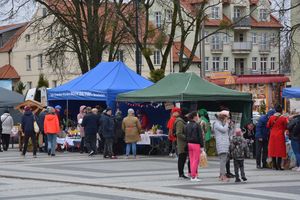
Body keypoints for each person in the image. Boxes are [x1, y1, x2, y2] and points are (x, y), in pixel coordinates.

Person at [267, 104, 288, 170]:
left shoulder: (271, 117)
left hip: (273, 135)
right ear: (281, 111)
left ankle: (274, 165)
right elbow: (285, 126)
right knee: (280, 150)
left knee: (273, 150)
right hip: (280, 135)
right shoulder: (283, 118)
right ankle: (279, 166)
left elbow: (268, 126)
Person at [186, 111, 204, 182]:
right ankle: (194, 176)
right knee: (195, 160)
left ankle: (192, 175)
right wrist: (202, 146)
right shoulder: (197, 125)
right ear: (194, 117)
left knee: (191, 160)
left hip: (189, 144)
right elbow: (200, 137)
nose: (198, 117)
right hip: (196, 144)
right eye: (197, 116)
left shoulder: (187, 125)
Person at [214, 110, 230, 182]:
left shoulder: (221, 123)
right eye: (226, 117)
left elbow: (227, 132)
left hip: (224, 143)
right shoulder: (217, 123)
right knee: (223, 161)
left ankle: (221, 175)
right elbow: (223, 130)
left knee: (223, 160)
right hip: (221, 144)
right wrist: (226, 123)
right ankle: (223, 176)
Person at [175, 108, 190, 179]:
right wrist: (186, 137)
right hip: (181, 143)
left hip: (184, 143)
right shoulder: (180, 122)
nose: (188, 116)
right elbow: (178, 133)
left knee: (183, 158)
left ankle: (182, 173)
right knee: (181, 158)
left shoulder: (183, 121)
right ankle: (181, 173)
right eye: (187, 114)